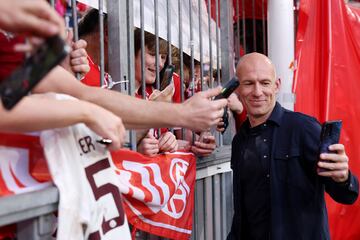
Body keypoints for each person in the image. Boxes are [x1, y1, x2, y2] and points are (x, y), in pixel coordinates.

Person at [227, 52, 359, 239]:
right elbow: (243, 210)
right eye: (248, 83)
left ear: (276, 86)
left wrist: (343, 178)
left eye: (265, 83)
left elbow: (346, 195)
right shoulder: (240, 140)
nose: (257, 92)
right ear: (238, 89)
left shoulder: (304, 128)